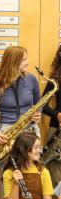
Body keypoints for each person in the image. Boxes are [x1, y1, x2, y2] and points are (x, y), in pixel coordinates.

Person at [0, 46, 41, 144]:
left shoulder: (31, 79)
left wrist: (38, 114)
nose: (27, 62)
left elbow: (39, 104)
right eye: (24, 59)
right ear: (13, 62)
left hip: (31, 129)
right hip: (8, 131)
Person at [3, 132, 53, 199]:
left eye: (39, 147)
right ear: (24, 150)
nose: (39, 151)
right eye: (36, 147)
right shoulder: (9, 173)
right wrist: (16, 183)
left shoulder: (43, 172)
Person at [42, 45, 61, 188]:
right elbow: (42, 104)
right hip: (57, 129)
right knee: (55, 168)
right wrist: (57, 115)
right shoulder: (55, 79)